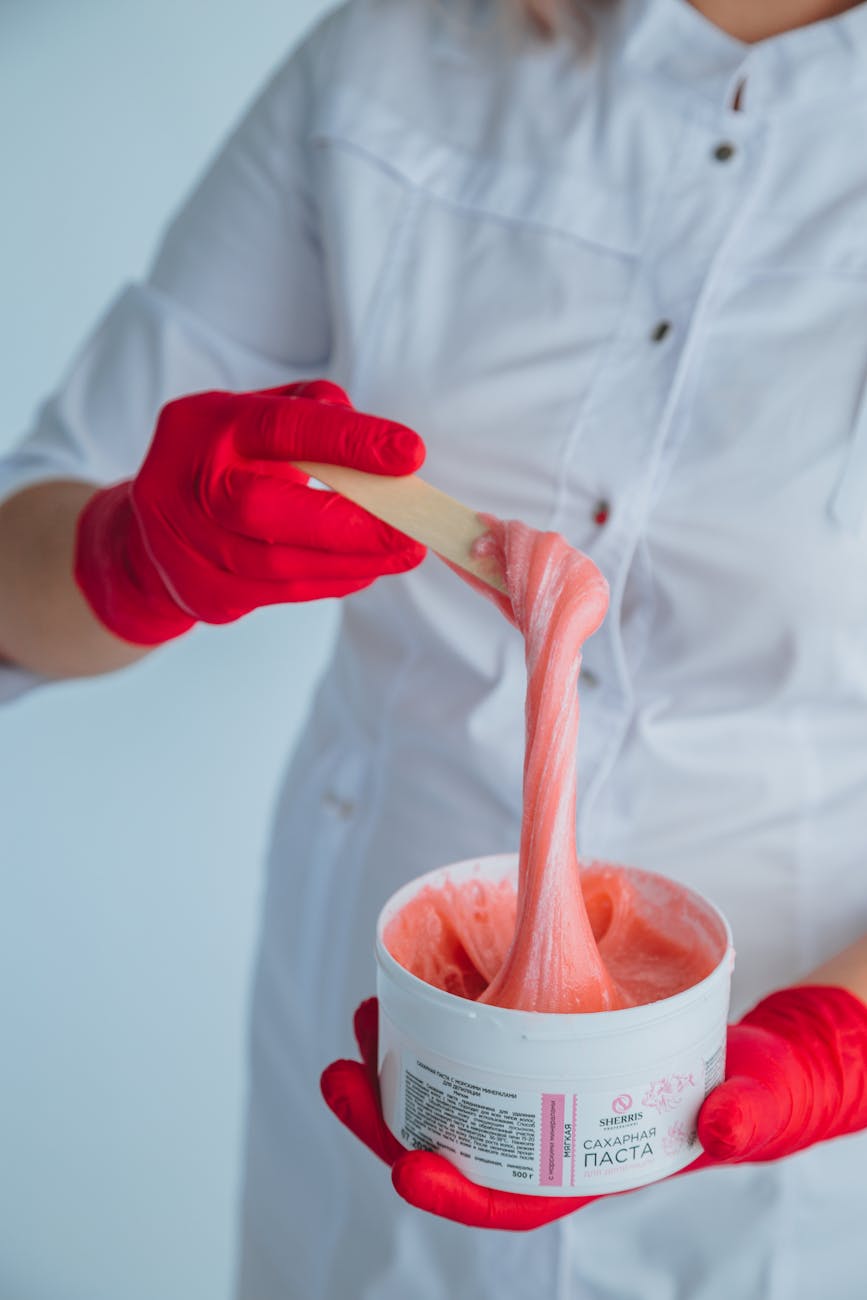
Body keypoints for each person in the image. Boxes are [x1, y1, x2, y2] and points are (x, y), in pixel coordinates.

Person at [1, 0, 867, 1295]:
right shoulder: (396, 53)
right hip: (376, 1095)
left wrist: (836, 1047)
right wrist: (133, 553)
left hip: (790, 1178)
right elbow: (19, 566)